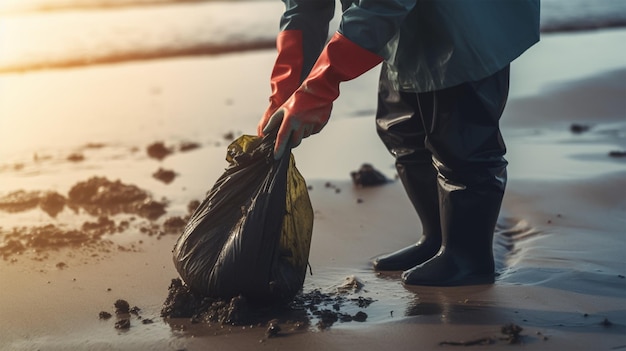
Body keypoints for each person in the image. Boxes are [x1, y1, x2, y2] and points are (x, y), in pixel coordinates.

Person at [257, 0, 540, 286]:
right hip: (407, 19)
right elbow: (305, 7)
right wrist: (286, 93)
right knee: (401, 129)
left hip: (465, 15)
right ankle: (438, 238)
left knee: (461, 142)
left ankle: (468, 258)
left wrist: (319, 87)